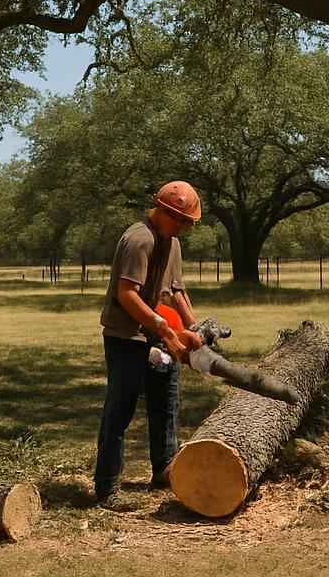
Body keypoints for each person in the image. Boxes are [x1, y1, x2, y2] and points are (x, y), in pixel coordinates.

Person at [93, 180, 205, 504]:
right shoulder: (139, 239)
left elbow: (176, 291)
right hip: (126, 336)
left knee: (165, 400)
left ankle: (164, 469)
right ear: (163, 211)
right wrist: (165, 329)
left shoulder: (172, 243)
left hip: (154, 332)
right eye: (181, 220)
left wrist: (193, 327)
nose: (184, 227)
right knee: (120, 409)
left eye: (188, 223)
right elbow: (126, 294)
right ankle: (107, 486)